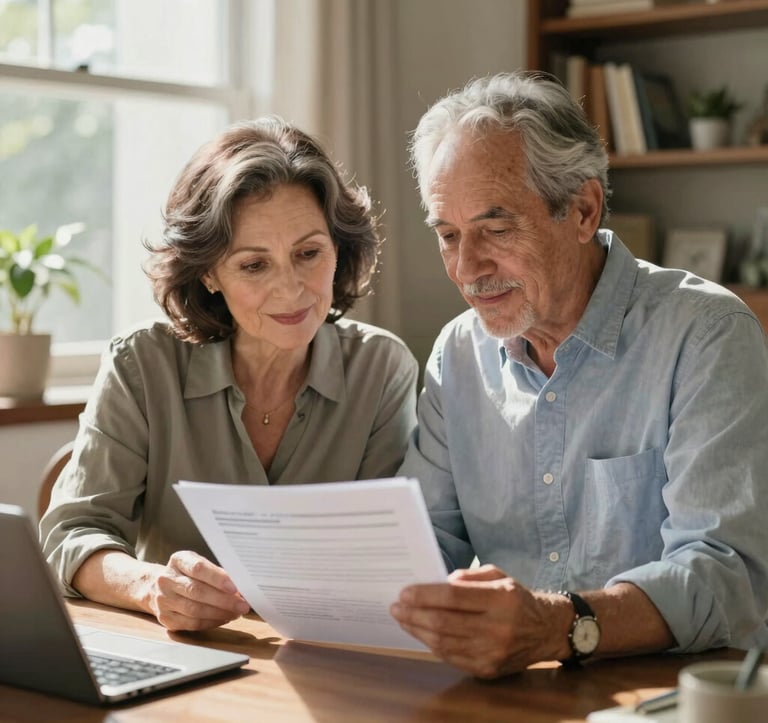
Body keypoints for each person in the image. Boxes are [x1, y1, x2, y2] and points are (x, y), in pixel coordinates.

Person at [390, 71, 768, 678]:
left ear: (584, 210)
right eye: (448, 235)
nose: (467, 268)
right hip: (511, 694)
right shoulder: (457, 353)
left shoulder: (706, 333)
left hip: (674, 694)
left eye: (496, 228)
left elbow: (725, 574)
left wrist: (556, 626)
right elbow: (422, 547)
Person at [40, 117, 418, 633]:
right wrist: (152, 587)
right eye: (253, 266)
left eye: (309, 254)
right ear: (210, 273)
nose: (292, 290)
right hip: (185, 660)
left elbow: (388, 561)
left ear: (339, 251)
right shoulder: (141, 364)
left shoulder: (382, 369)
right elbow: (73, 534)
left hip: (329, 659)